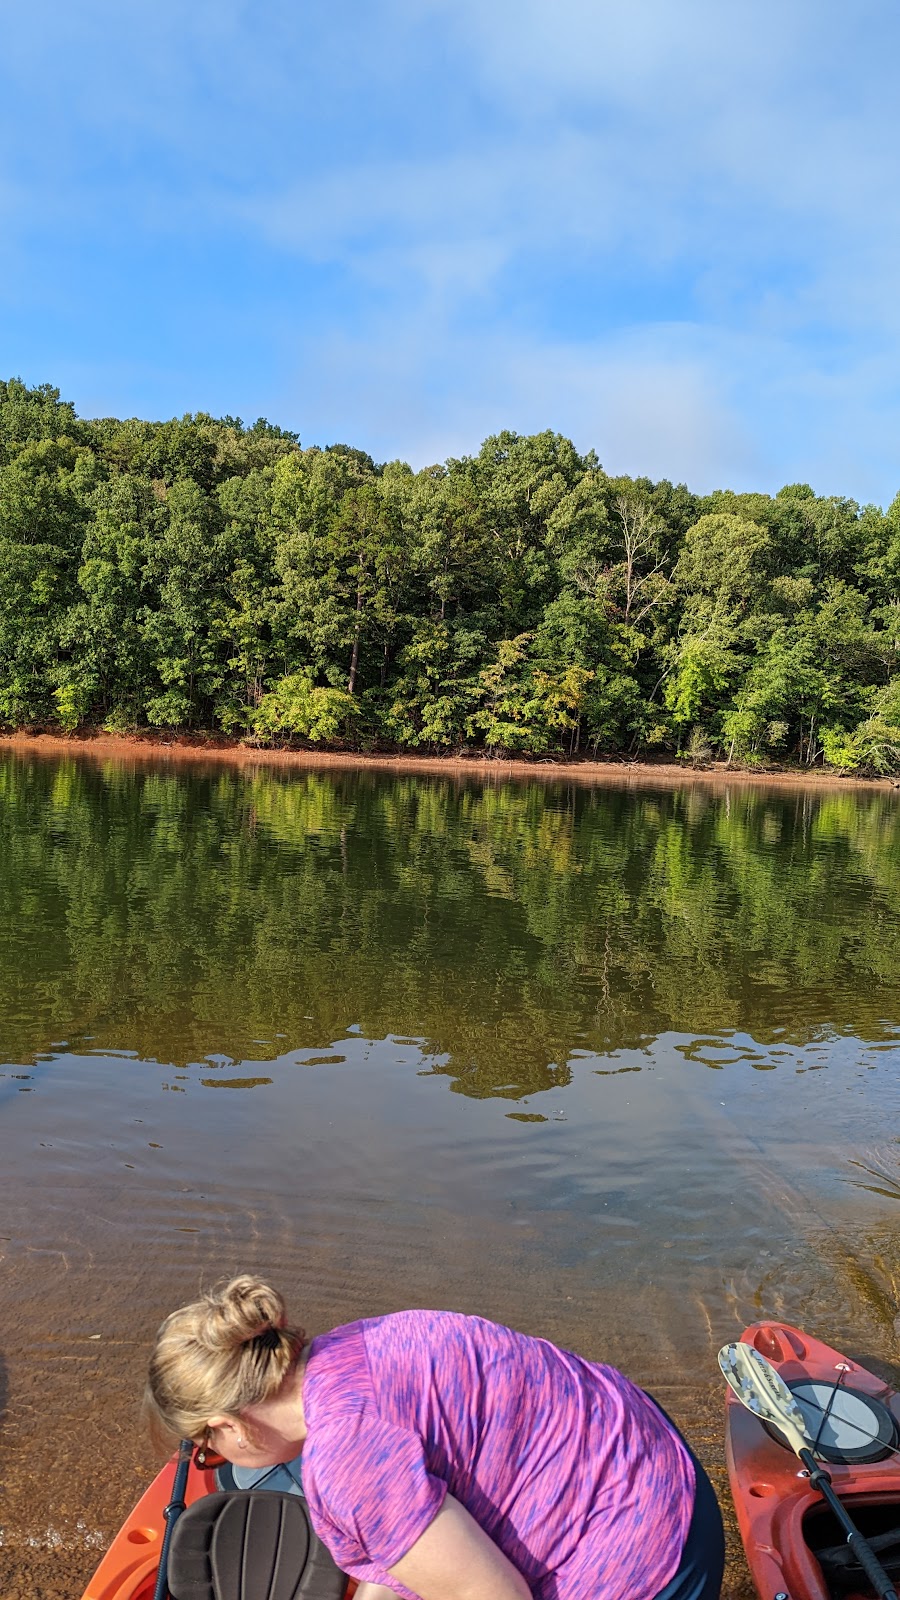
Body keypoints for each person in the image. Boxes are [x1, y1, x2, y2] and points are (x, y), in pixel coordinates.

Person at [145, 1275, 724, 1600]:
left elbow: (495, 1599)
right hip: (654, 1456)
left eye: (206, 1449)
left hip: (644, 1558)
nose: (213, 1458)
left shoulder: (347, 1457)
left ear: (225, 1425)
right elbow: (406, 1549)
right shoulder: (358, 1343)